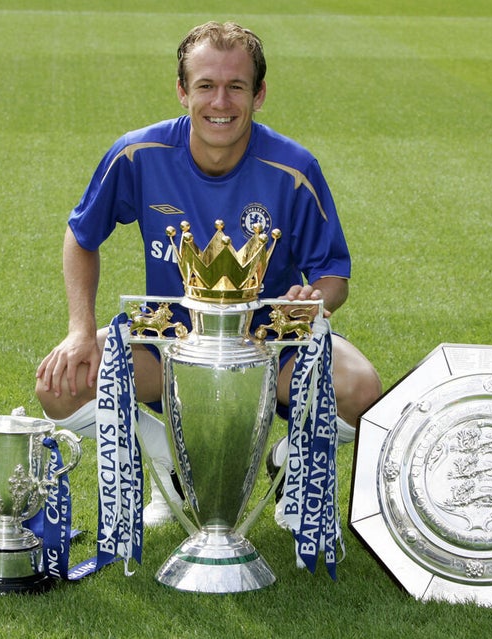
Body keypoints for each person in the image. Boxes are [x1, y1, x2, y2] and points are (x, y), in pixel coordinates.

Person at [35, 21, 381, 525]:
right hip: (169, 341)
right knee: (60, 386)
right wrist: (80, 330)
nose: (221, 102)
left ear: (258, 94)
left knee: (360, 390)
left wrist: (311, 303)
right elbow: (81, 237)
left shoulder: (294, 167)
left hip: (268, 345)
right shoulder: (138, 154)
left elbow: (333, 276)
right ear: (182, 91)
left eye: (236, 86)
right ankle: (165, 461)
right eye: (206, 86)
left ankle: (294, 462)